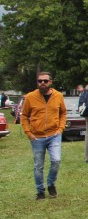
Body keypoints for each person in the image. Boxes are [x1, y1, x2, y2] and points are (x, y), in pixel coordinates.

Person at [21, 72, 66, 200]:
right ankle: (40, 190)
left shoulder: (58, 96)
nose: (42, 83)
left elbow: (62, 113)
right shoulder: (30, 97)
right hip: (37, 136)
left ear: (50, 82)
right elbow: (24, 116)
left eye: (45, 81)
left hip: (54, 134)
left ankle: (51, 184)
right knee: (38, 166)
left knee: (56, 161)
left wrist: (60, 128)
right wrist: (28, 133)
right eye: (40, 81)